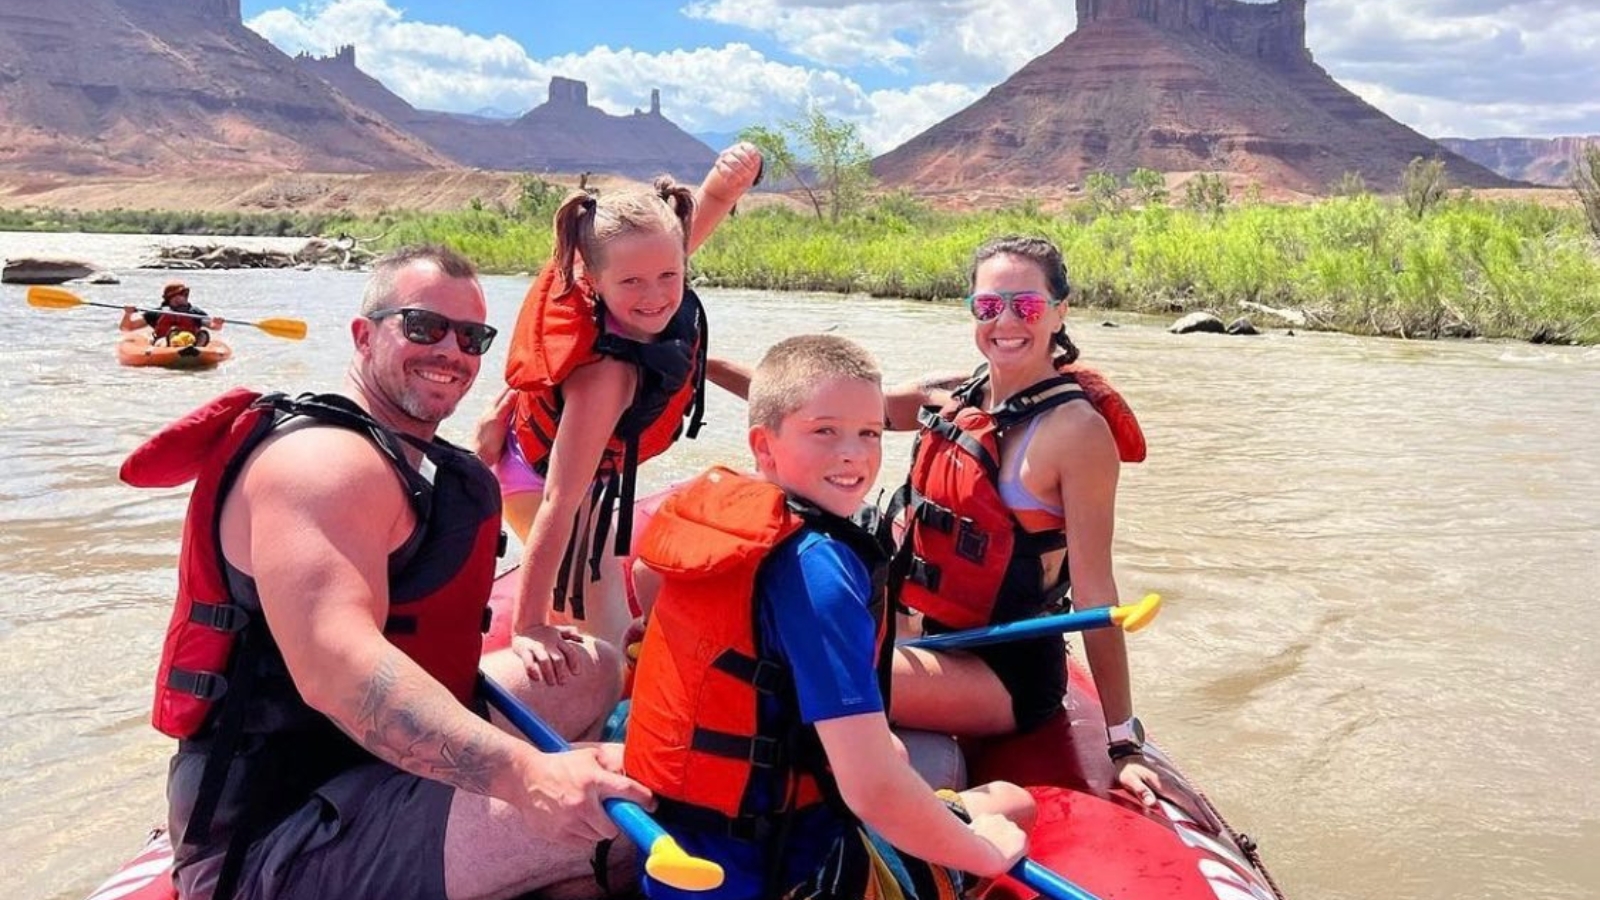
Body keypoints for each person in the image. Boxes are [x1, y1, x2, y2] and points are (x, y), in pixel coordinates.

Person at [120, 245, 646, 900]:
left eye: (471, 337)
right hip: (275, 838)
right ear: (364, 335)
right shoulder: (321, 465)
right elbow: (340, 670)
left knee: (592, 669)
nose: (451, 352)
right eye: (423, 328)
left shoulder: (409, 459)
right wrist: (527, 775)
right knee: (627, 818)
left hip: (365, 770)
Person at [702, 236, 1163, 807]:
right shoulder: (953, 393)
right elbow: (812, 409)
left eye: (1028, 306)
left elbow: (1097, 592)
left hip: (1001, 669)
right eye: (990, 306)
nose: (1007, 321)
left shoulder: (1077, 433)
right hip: (923, 635)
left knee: (790, 667)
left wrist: (1123, 742)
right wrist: (703, 365)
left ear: (1060, 311)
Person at [625, 335, 1034, 900]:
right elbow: (871, 791)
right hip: (791, 873)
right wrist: (982, 852)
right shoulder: (820, 571)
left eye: (869, 433)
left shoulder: (714, 513)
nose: (854, 454)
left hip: (682, 862)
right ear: (763, 447)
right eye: (825, 431)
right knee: (1015, 804)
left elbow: (646, 577)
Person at [479, 144, 763, 675]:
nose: (654, 296)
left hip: (563, 469)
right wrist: (530, 624)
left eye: (669, 277)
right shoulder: (605, 376)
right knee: (612, 651)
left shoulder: (646, 266)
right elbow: (560, 502)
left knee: (614, 580)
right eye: (631, 282)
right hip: (535, 483)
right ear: (594, 277)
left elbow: (697, 220)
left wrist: (728, 182)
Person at [120, 281, 224, 346]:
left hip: (190, 341)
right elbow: (127, 328)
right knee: (163, 341)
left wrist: (217, 323)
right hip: (164, 342)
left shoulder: (194, 312)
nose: (185, 296)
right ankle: (173, 343)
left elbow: (212, 326)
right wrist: (128, 314)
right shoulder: (157, 312)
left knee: (202, 335)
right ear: (171, 297)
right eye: (182, 294)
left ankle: (196, 348)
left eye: (185, 294)